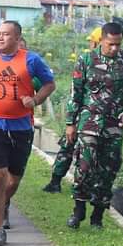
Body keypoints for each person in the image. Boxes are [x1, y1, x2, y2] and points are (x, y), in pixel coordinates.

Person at [0, 21, 55, 246]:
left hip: (21, 127)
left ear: (17, 38)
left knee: (14, 178)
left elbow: (49, 84)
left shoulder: (31, 60)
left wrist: (35, 100)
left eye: (6, 35)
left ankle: (4, 204)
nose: (1, 38)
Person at [65, 22, 123, 229]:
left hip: (114, 125)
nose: (114, 48)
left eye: (118, 44)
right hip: (89, 122)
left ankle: (97, 216)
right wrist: (70, 123)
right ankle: (78, 209)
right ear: (102, 40)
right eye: (110, 44)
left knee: (108, 170)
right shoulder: (86, 60)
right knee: (84, 166)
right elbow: (76, 94)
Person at [43, 26, 102, 193]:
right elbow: (76, 92)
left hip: (91, 117)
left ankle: (75, 185)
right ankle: (56, 182)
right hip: (81, 115)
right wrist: (72, 120)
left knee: (78, 151)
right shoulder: (86, 61)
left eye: (92, 42)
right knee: (68, 147)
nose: (90, 45)